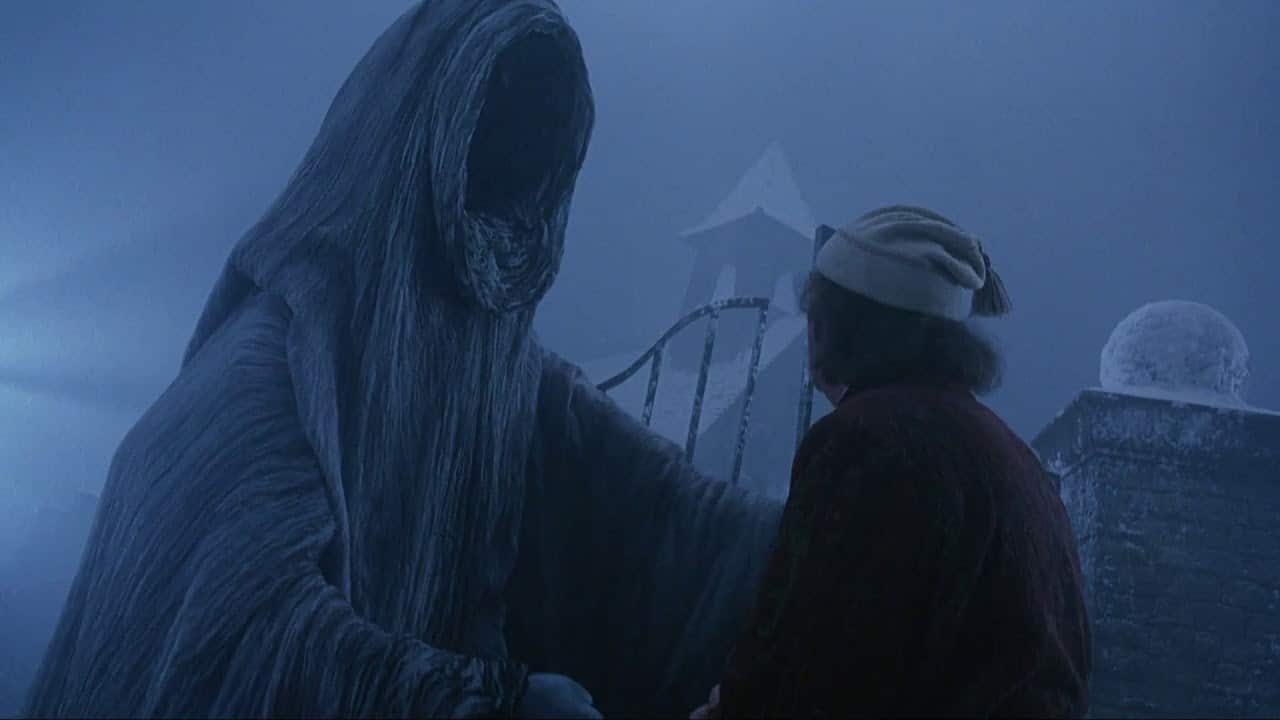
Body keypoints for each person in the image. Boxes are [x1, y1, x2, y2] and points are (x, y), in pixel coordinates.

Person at [21, 2, 782, 718]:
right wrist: (488, 699)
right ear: (422, 133)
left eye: (537, 128)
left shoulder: (495, 370)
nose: (515, 159)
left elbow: (649, 505)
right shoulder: (279, 364)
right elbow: (239, 623)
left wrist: (821, 534)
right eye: (499, 118)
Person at [692, 205, 1092, 718]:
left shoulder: (867, 440)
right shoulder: (1015, 456)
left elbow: (816, 664)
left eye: (817, 313)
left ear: (837, 327)